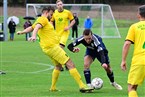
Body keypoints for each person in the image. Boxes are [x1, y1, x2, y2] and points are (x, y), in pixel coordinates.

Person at [17, 6, 93, 93]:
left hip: (48, 49)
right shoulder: (43, 19)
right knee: (70, 63)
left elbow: (32, 27)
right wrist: (33, 36)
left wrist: (22, 32)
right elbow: (36, 27)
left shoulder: (41, 20)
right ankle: (82, 86)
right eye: (51, 14)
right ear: (46, 12)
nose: (52, 16)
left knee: (58, 66)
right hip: (53, 48)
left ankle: (53, 88)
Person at [120, 5, 145, 97]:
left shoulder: (134, 27)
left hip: (140, 61)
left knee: (132, 87)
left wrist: (123, 60)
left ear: (139, 15)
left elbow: (127, 44)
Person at [50, 0, 75, 71]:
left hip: (65, 33)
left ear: (63, 5)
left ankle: (62, 65)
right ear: (56, 6)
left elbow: (73, 21)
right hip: (57, 34)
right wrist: (52, 28)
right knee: (58, 50)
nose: (60, 6)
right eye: (58, 5)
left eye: (61, 4)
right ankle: (66, 64)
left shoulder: (67, 12)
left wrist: (68, 27)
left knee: (60, 48)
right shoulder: (54, 13)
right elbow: (51, 21)